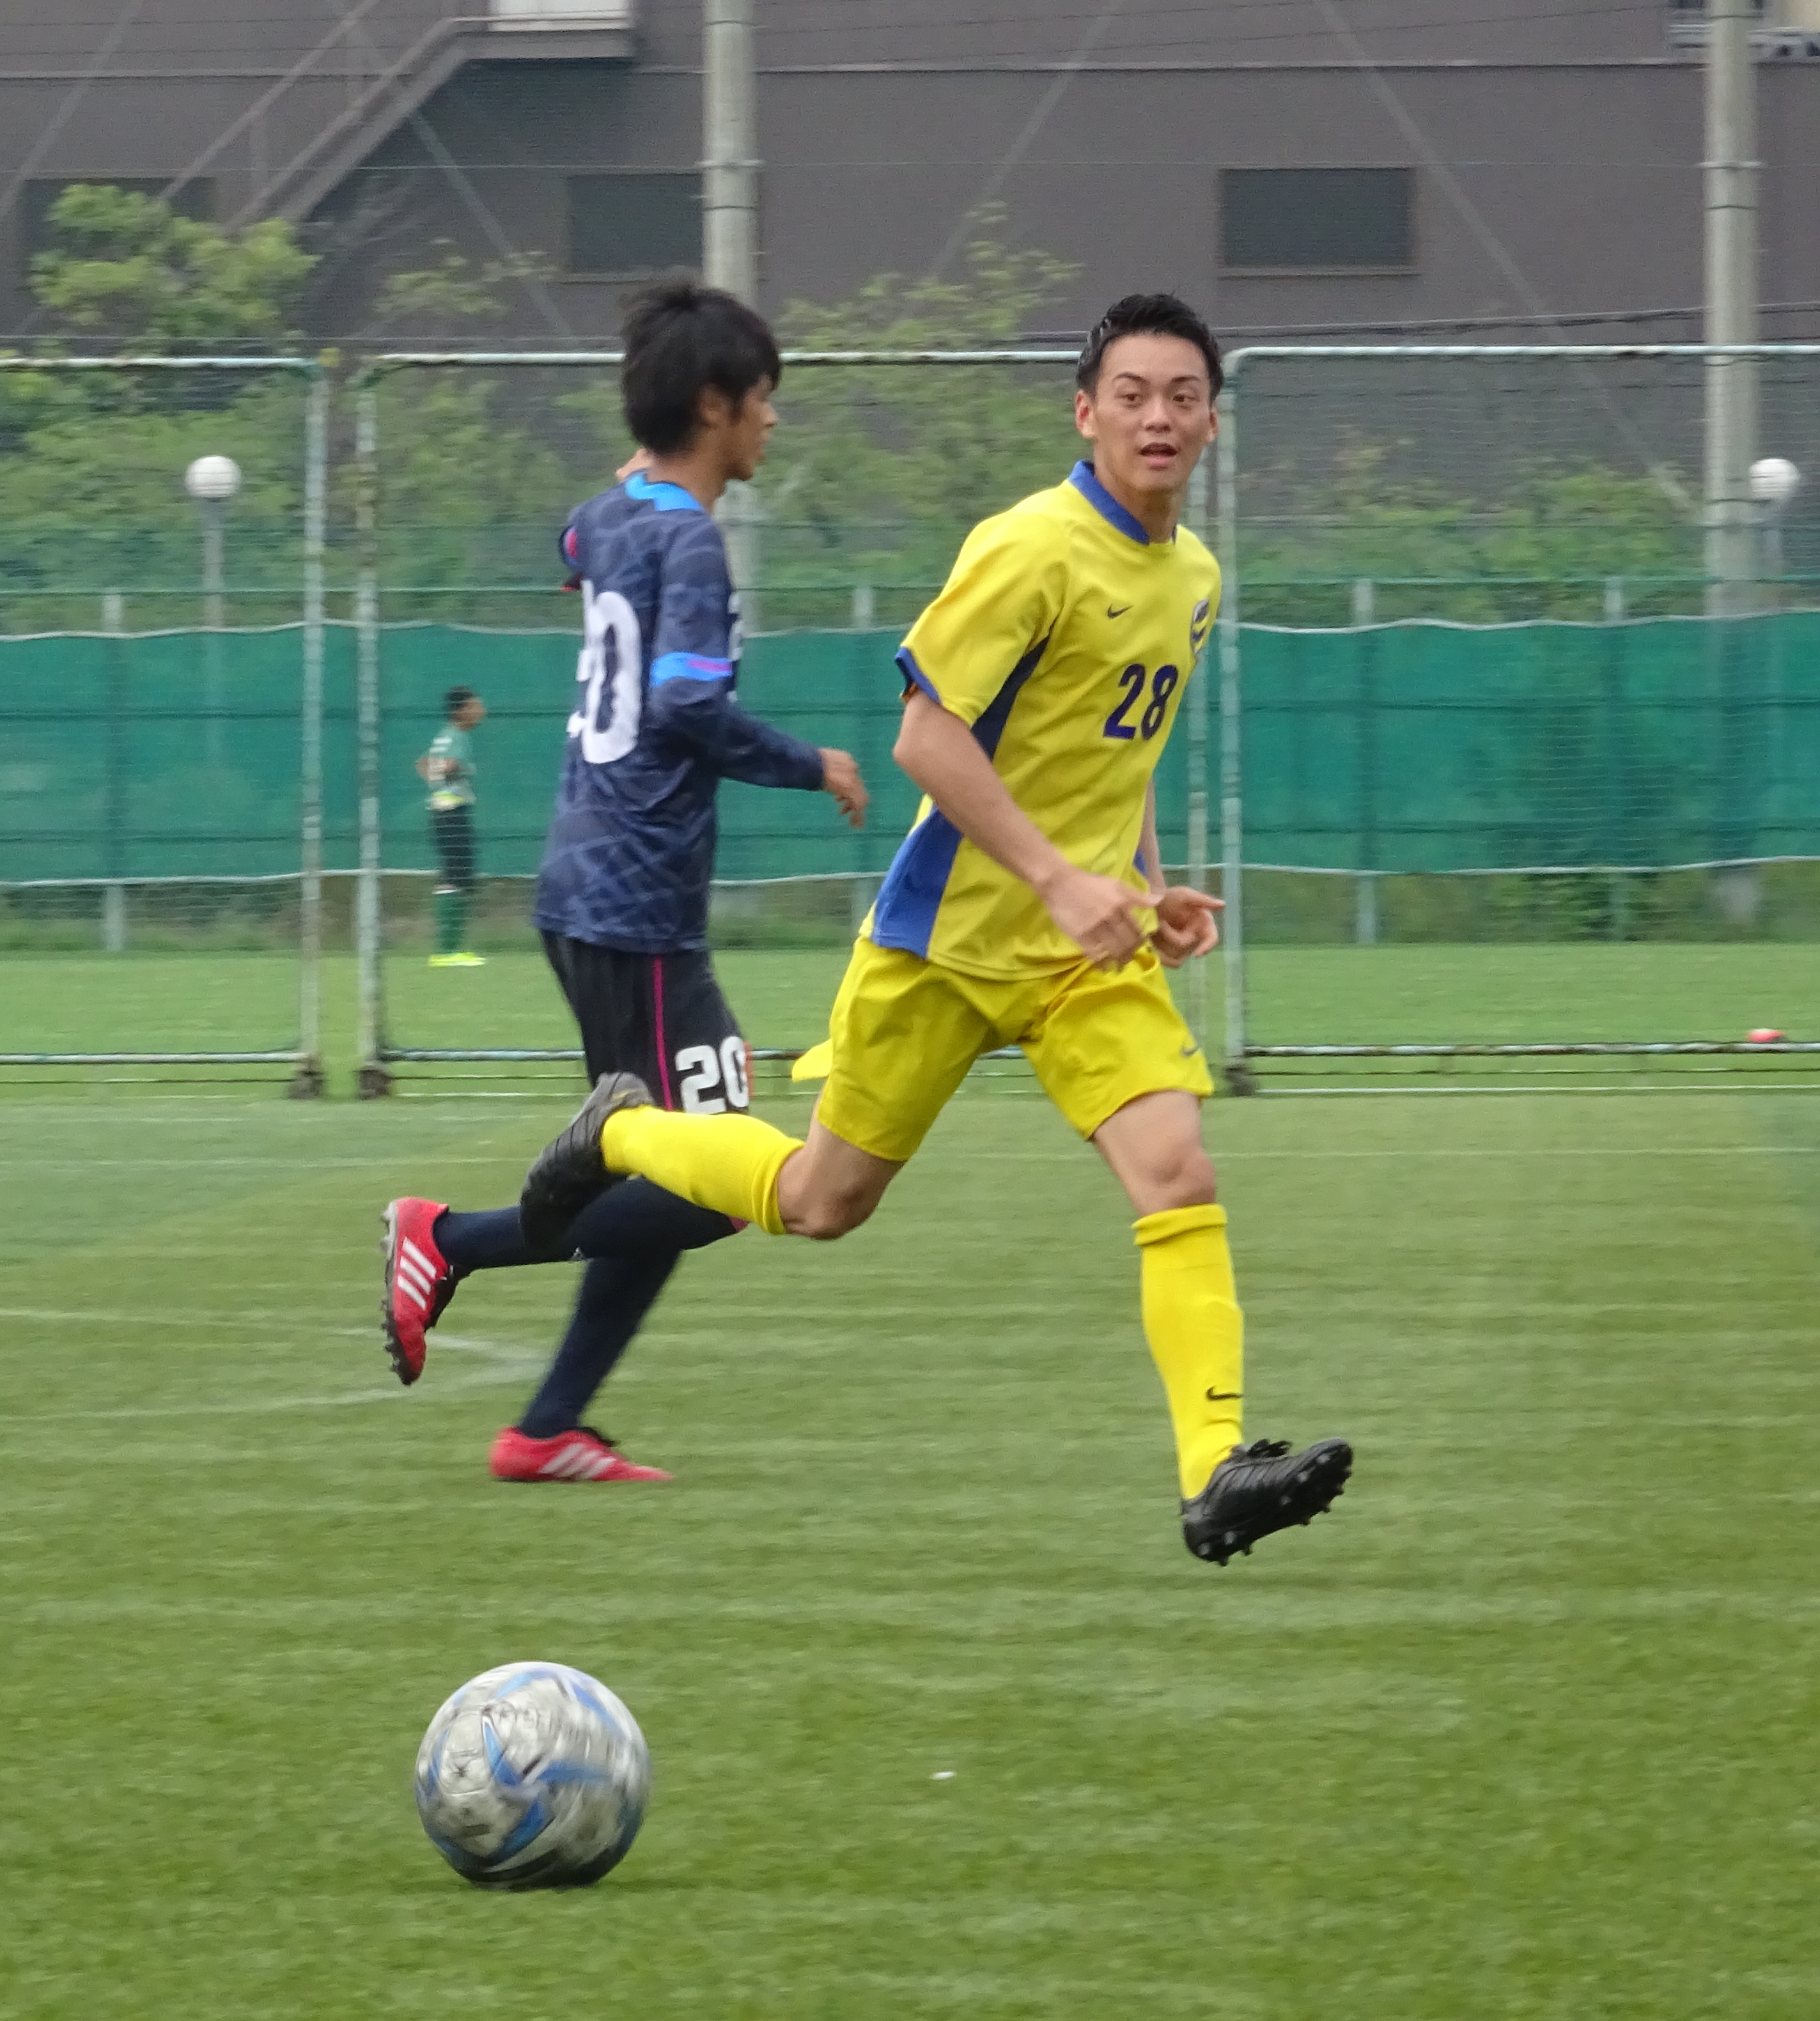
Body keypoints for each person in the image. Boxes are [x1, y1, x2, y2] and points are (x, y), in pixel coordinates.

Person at [517, 291, 1350, 1560]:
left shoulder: (1194, 576)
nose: (1160, 417)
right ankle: (620, 1131)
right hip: (945, 944)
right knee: (819, 1200)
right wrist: (1058, 880)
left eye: (1184, 397)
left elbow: (1111, 756)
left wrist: (1143, 885)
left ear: (1213, 423)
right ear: (1085, 414)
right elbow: (925, 737)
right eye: (1132, 395)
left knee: (1177, 1171)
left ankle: (1216, 1470)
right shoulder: (1027, 547)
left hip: (1083, 960)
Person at [380, 279, 867, 1483]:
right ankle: (447, 1240)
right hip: (639, 904)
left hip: (585, 884)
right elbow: (688, 703)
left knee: (667, 1159)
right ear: (712, 405)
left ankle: (547, 1426)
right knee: (726, 1176)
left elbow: (571, 544)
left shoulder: (611, 516)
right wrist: (812, 764)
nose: (773, 421)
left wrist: (633, 484)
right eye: (762, 399)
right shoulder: (690, 538)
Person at [419, 685, 486, 966]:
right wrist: (450, 773)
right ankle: (448, 951)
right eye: (474, 706)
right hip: (451, 812)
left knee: (454, 874)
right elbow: (446, 767)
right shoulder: (457, 737)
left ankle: (451, 949)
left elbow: (422, 764)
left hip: (442, 811)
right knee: (456, 876)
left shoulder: (445, 736)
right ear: (461, 711)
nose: (480, 711)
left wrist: (436, 781)